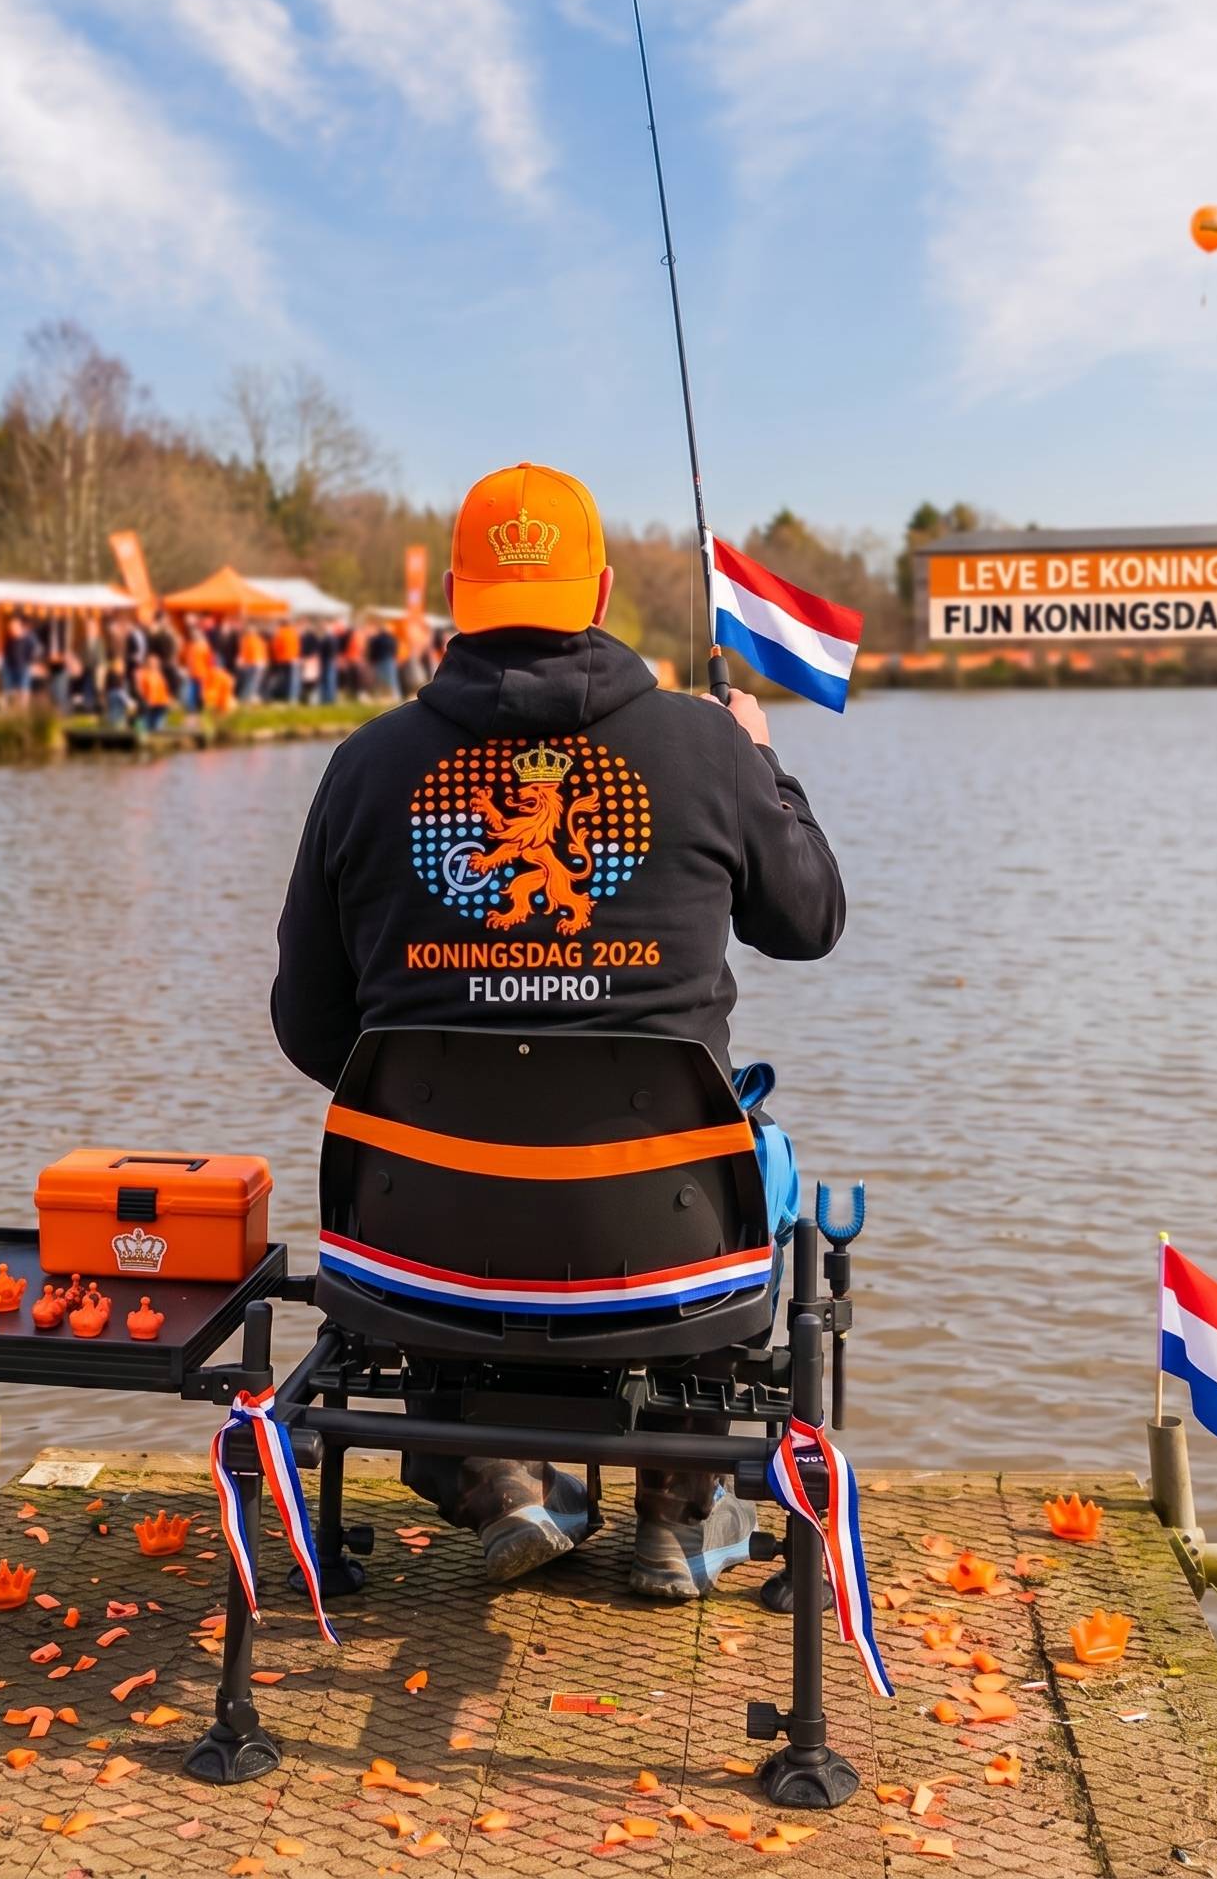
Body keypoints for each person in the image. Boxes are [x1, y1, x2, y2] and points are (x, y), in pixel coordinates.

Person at [272, 462, 840, 1602]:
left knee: (439, 1159)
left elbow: (308, 1024)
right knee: (747, 1143)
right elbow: (810, 920)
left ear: (452, 593)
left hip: (416, 1254)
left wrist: (458, 1066)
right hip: (670, 1252)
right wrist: (762, 764)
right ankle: (678, 1510)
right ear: (599, 592)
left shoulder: (364, 766)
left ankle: (493, 1473)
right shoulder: (705, 746)